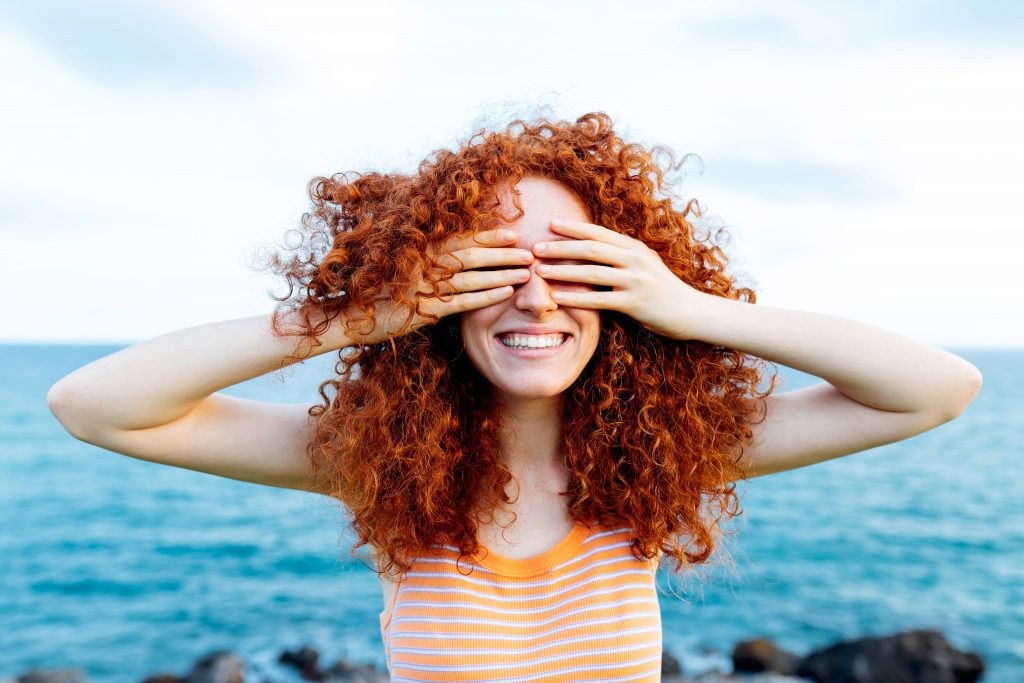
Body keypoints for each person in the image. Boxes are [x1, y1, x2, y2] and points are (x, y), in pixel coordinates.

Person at [47, 111, 983, 682]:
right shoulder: (371, 463)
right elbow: (93, 405)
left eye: (573, 267)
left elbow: (937, 389)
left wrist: (691, 308)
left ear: (623, 289)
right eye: (494, 267)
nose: (535, 297)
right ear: (436, 295)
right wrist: (353, 318)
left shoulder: (658, 457)